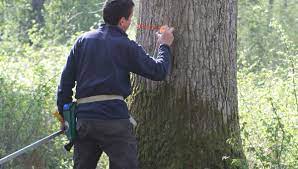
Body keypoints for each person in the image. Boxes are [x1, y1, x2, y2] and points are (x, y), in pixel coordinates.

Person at [57, 0, 174, 168]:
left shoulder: (82, 41)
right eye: (131, 17)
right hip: (113, 120)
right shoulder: (126, 45)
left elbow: (65, 83)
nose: (131, 21)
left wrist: (64, 116)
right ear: (122, 21)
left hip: (85, 121)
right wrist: (164, 45)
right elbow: (159, 71)